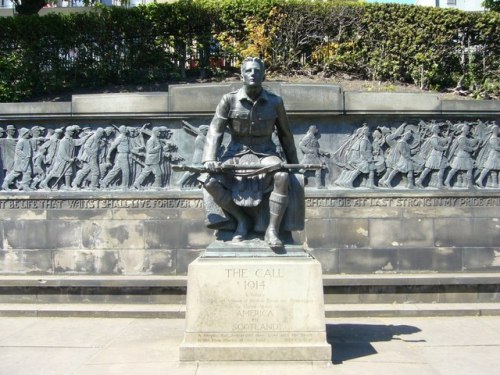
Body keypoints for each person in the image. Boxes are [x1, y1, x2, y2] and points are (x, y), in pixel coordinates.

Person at [200, 57, 301, 248]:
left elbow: (285, 135)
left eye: (257, 70)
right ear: (242, 75)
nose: (253, 74)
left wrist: (294, 165)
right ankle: (241, 220)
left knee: (281, 176)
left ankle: (272, 230)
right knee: (209, 180)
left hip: (265, 154)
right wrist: (209, 159)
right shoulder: (229, 100)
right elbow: (215, 130)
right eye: (248, 71)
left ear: (264, 75)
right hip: (235, 154)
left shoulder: (275, 102)